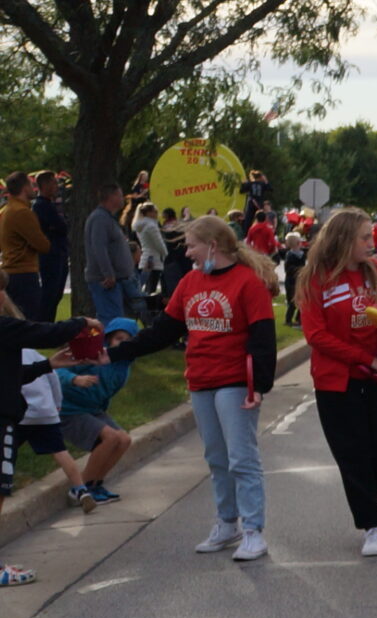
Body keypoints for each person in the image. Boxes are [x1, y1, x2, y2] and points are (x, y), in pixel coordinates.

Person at [112, 216, 280, 562]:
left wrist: (259, 385)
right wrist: (116, 353)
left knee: (241, 458)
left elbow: (264, 339)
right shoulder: (190, 282)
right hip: (200, 380)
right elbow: (163, 331)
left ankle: (253, 531)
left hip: (234, 381)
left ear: (213, 245)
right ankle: (227, 523)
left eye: (191, 245)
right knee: (217, 458)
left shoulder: (248, 283)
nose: (187, 252)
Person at [299, 208, 377, 556]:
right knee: (353, 453)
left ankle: (366, 491)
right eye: (364, 236)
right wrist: (364, 359)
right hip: (337, 380)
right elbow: (315, 334)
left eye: (372, 234)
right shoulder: (316, 279)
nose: (372, 241)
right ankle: (371, 525)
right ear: (343, 239)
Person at [0, 290, 97, 562]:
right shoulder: (5, 326)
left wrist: (47, 365)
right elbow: (45, 333)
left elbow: (9, 377)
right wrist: (82, 323)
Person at [59, 316, 139, 509]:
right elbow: (57, 371)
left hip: (92, 410)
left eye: (128, 341)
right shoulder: (92, 354)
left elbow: (106, 392)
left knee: (124, 439)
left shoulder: (123, 367)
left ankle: (96, 484)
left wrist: (102, 413)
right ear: (108, 339)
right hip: (68, 409)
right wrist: (74, 379)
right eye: (119, 339)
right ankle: (79, 489)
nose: (123, 344)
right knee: (110, 438)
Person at [84, 177, 138, 323]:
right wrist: (108, 274)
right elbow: (98, 247)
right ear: (111, 197)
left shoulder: (108, 218)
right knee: (110, 319)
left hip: (118, 279)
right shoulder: (100, 218)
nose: (122, 199)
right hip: (105, 281)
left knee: (118, 318)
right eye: (120, 195)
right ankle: (109, 345)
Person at [1, 172, 51, 320]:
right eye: (31, 185)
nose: (33, 188)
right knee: (28, 320)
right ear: (24, 188)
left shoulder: (8, 210)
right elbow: (43, 245)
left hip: (11, 273)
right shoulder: (22, 212)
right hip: (23, 273)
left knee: (16, 319)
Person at [32, 170, 68, 320]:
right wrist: (59, 226)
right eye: (53, 182)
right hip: (50, 255)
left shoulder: (51, 205)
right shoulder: (41, 206)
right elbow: (60, 226)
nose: (56, 186)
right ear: (45, 185)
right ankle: (44, 325)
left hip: (60, 253)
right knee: (50, 293)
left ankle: (49, 325)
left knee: (56, 293)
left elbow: (62, 226)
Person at [133, 202, 166, 313]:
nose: (157, 214)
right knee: (152, 288)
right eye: (155, 212)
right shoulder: (151, 226)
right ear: (150, 213)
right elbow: (159, 243)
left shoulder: (140, 225)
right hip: (154, 258)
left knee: (144, 285)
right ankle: (151, 310)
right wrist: (166, 254)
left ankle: (144, 309)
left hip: (145, 257)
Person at [279, 229, 309, 325]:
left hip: (300, 280)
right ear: (296, 243)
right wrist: (300, 269)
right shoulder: (290, 255)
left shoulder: (302, 254)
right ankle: (288, 320)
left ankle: (299, 318)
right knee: (292, 301)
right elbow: (288, 268)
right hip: (291, 281)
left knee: (302, 300)